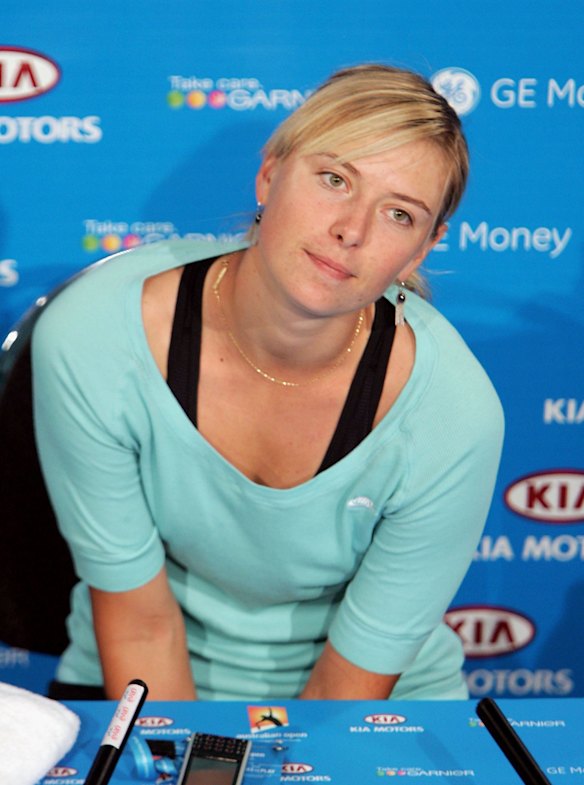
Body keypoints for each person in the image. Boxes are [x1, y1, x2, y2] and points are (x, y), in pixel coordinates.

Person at [32, 64, 504, 702]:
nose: (352, 230)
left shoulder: (455, 412)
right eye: (334, 179)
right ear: (270, 173)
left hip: (370, 702)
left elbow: (353, 681)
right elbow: (140, 624)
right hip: (137, 680)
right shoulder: (95, 334)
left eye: (399, 214)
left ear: (423, 247)